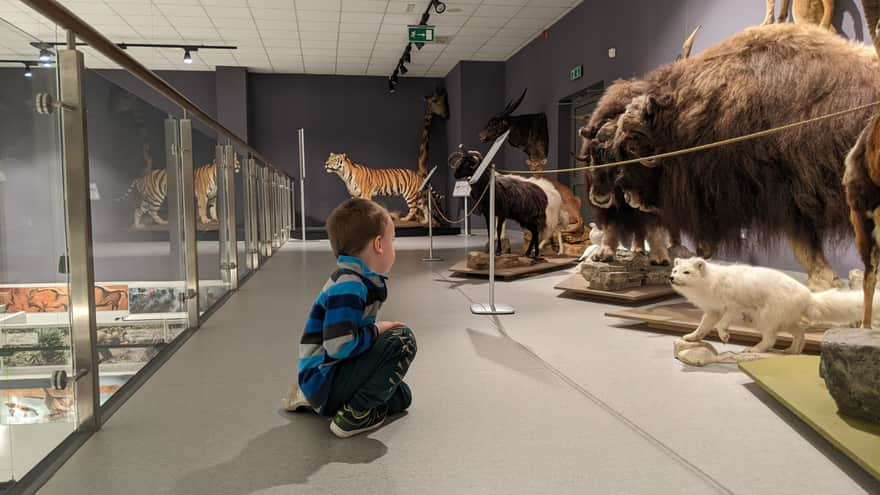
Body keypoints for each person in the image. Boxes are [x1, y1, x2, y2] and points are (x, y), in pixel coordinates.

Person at [284, 198, 417, 438]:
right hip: (327, 377)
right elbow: (339, 345)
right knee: (403, 340)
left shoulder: (356, 279)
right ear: (378, 244)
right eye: (392, 240)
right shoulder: (349, 285)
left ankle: (313, 398)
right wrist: (378, 329)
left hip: (330, 375)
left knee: (401, 396)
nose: (393, 246)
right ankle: (352, 417)